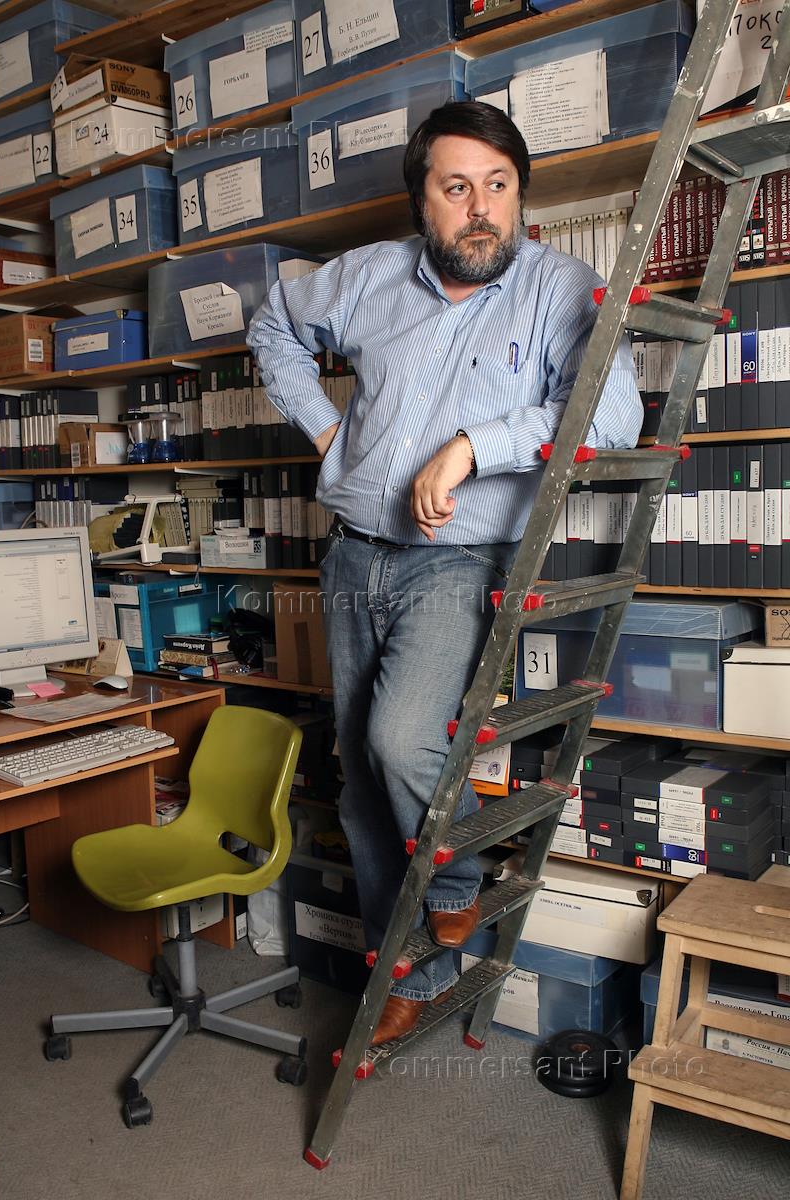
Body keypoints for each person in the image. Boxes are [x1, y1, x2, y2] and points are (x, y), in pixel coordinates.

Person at [248, 101, 643, 1044]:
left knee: (400, 741)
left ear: (521, 195)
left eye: (498, 186)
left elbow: (612, 417)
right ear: (421, 202)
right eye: (456, 187)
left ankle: (458, 883)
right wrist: (327, 430)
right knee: (359, 779)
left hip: (461, 559)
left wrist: (474, 444)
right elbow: (272, 325)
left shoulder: (563, 288)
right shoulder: (370, 275)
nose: (480, 208)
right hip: (354, 553)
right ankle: (408, 974)